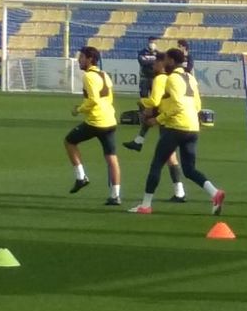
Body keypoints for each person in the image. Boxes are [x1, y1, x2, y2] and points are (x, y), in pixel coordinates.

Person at [127, 48, 226, 215]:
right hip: (192, 127)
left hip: (176, 127)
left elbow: (178, 105)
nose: (164, 62)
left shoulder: (172, 78)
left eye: (165, 59)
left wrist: (158, 119)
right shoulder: (190, 77)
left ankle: (145, 205)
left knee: (157, 164)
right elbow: (198, 105)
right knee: (189, 169)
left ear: (171, 61)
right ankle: (215, 193)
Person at [123, 35, 189, 202]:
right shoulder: (171, 78)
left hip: (167, 120)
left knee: (162, 159)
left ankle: (148, 201)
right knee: (171, 157)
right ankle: (179, 191)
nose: (153, 65)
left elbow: (155, 101)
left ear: (162, 63)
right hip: (173, 119)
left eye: (156, 63)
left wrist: (142, 102)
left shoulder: (161, 78)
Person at [64, 45, 122, 206]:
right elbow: (109, 97)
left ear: (90, 59)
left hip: (95, 121)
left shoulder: (89, 76)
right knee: (111, 158)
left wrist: (79, 109)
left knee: (69, 141)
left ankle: (81, 177)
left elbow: (94, 100)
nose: (78, 60)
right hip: (109, 120)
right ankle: (115, 195)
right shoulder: (104, 74)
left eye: (81, 57)